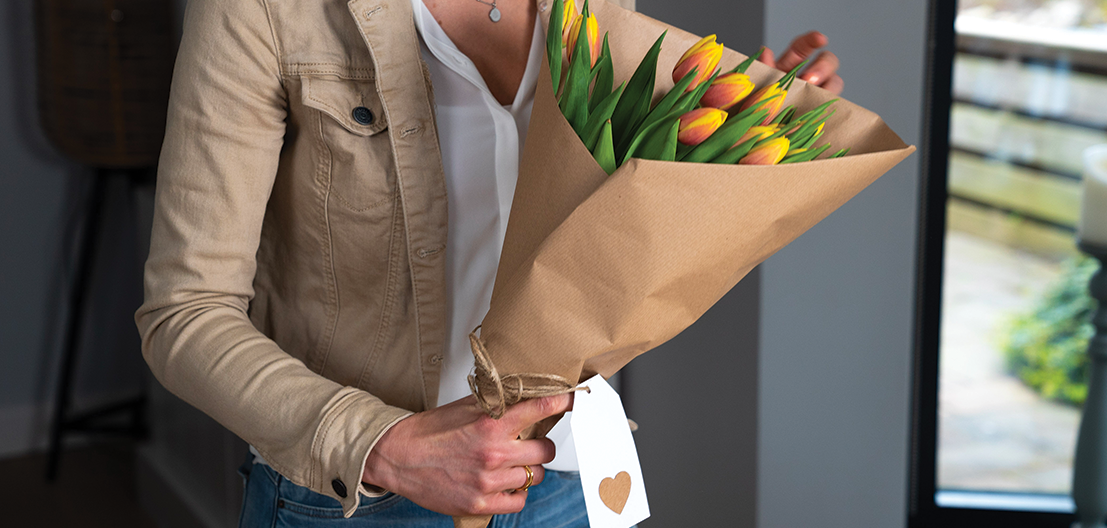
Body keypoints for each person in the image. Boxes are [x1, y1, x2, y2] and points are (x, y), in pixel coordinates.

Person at [135, 0, 843, 525]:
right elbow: (186, 313)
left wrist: (736, 125)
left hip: (568, 473)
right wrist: (382, 444)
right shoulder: (263, 11)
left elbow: (608, 200)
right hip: (365, 497)